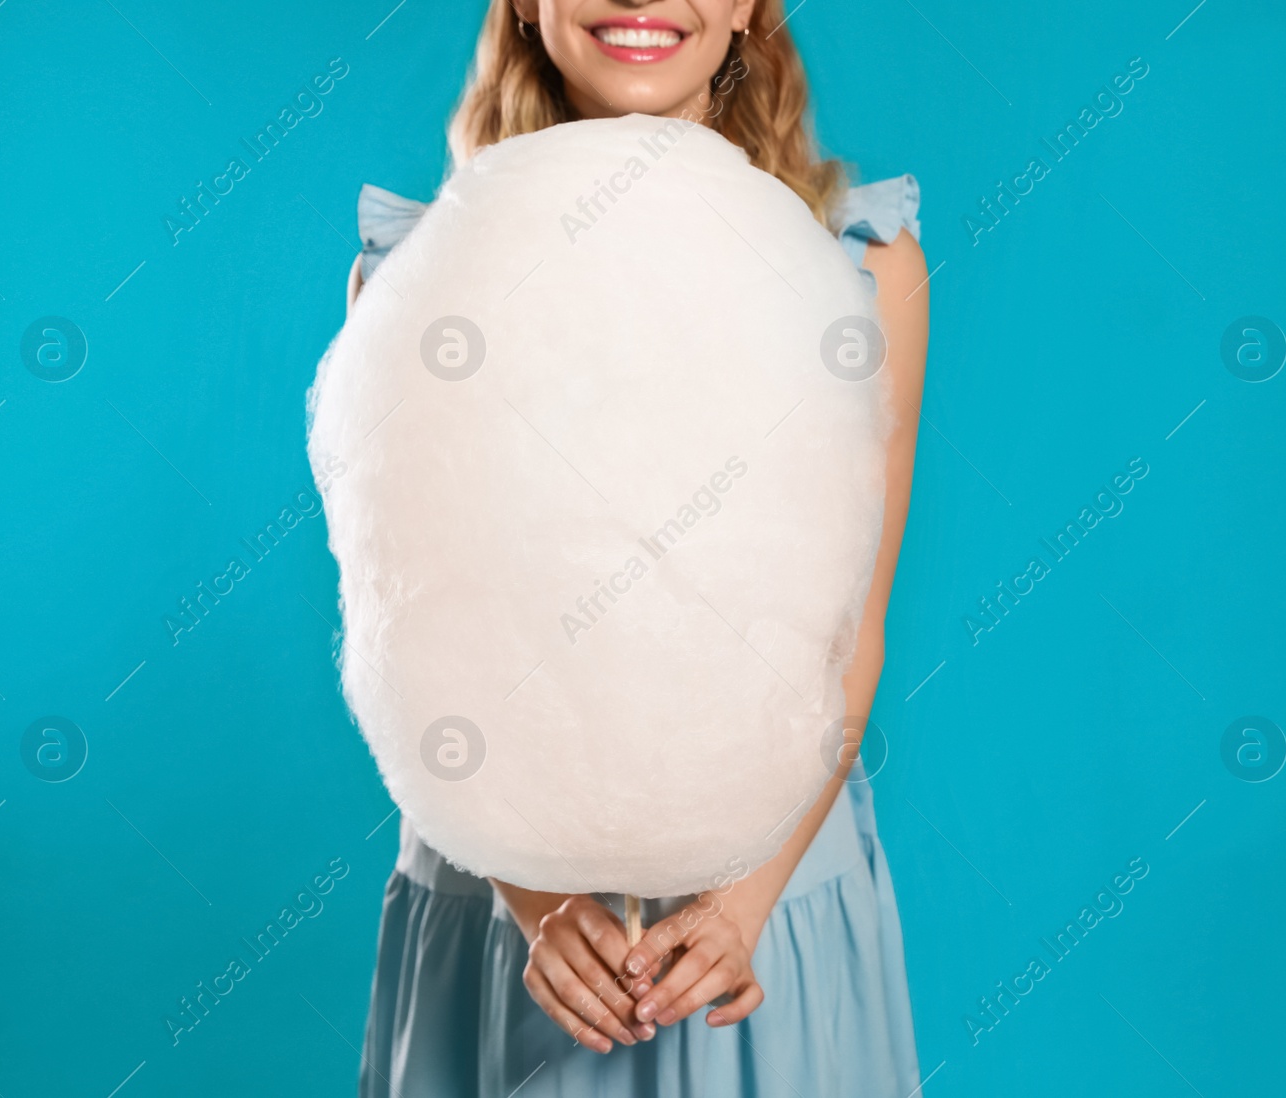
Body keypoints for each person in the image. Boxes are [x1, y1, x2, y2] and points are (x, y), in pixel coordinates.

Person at [347, 2, 930, 1094]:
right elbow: (413, 638)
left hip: (765, 899)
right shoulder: (413, 282)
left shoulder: (861, 267)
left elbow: (852, 635)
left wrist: (739, 908)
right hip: (506, 915)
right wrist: (538, 901)